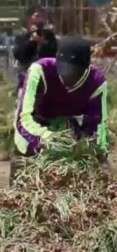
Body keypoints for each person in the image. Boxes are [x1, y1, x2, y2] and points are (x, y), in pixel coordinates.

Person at [11, 37, 109, 182]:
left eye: (73, 73)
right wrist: (46, 138)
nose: (66, 77)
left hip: (68, 142)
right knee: (25, 189)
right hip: (33, 140)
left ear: (86, 67)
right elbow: (24, 118)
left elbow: (98, 124)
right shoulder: (40, 71)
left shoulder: (96, 82)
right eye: (63, 70)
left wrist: (98, 152)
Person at [12, 6, 58, 91]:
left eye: (42, 16)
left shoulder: (48, 35)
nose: (40, 19)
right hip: (27, 73)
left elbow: (53, 52)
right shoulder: (22, 36)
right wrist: (32, 41)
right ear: (28, 19)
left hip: (46, 73)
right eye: (37, 16)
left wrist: (42, 42)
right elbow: (20, 56)